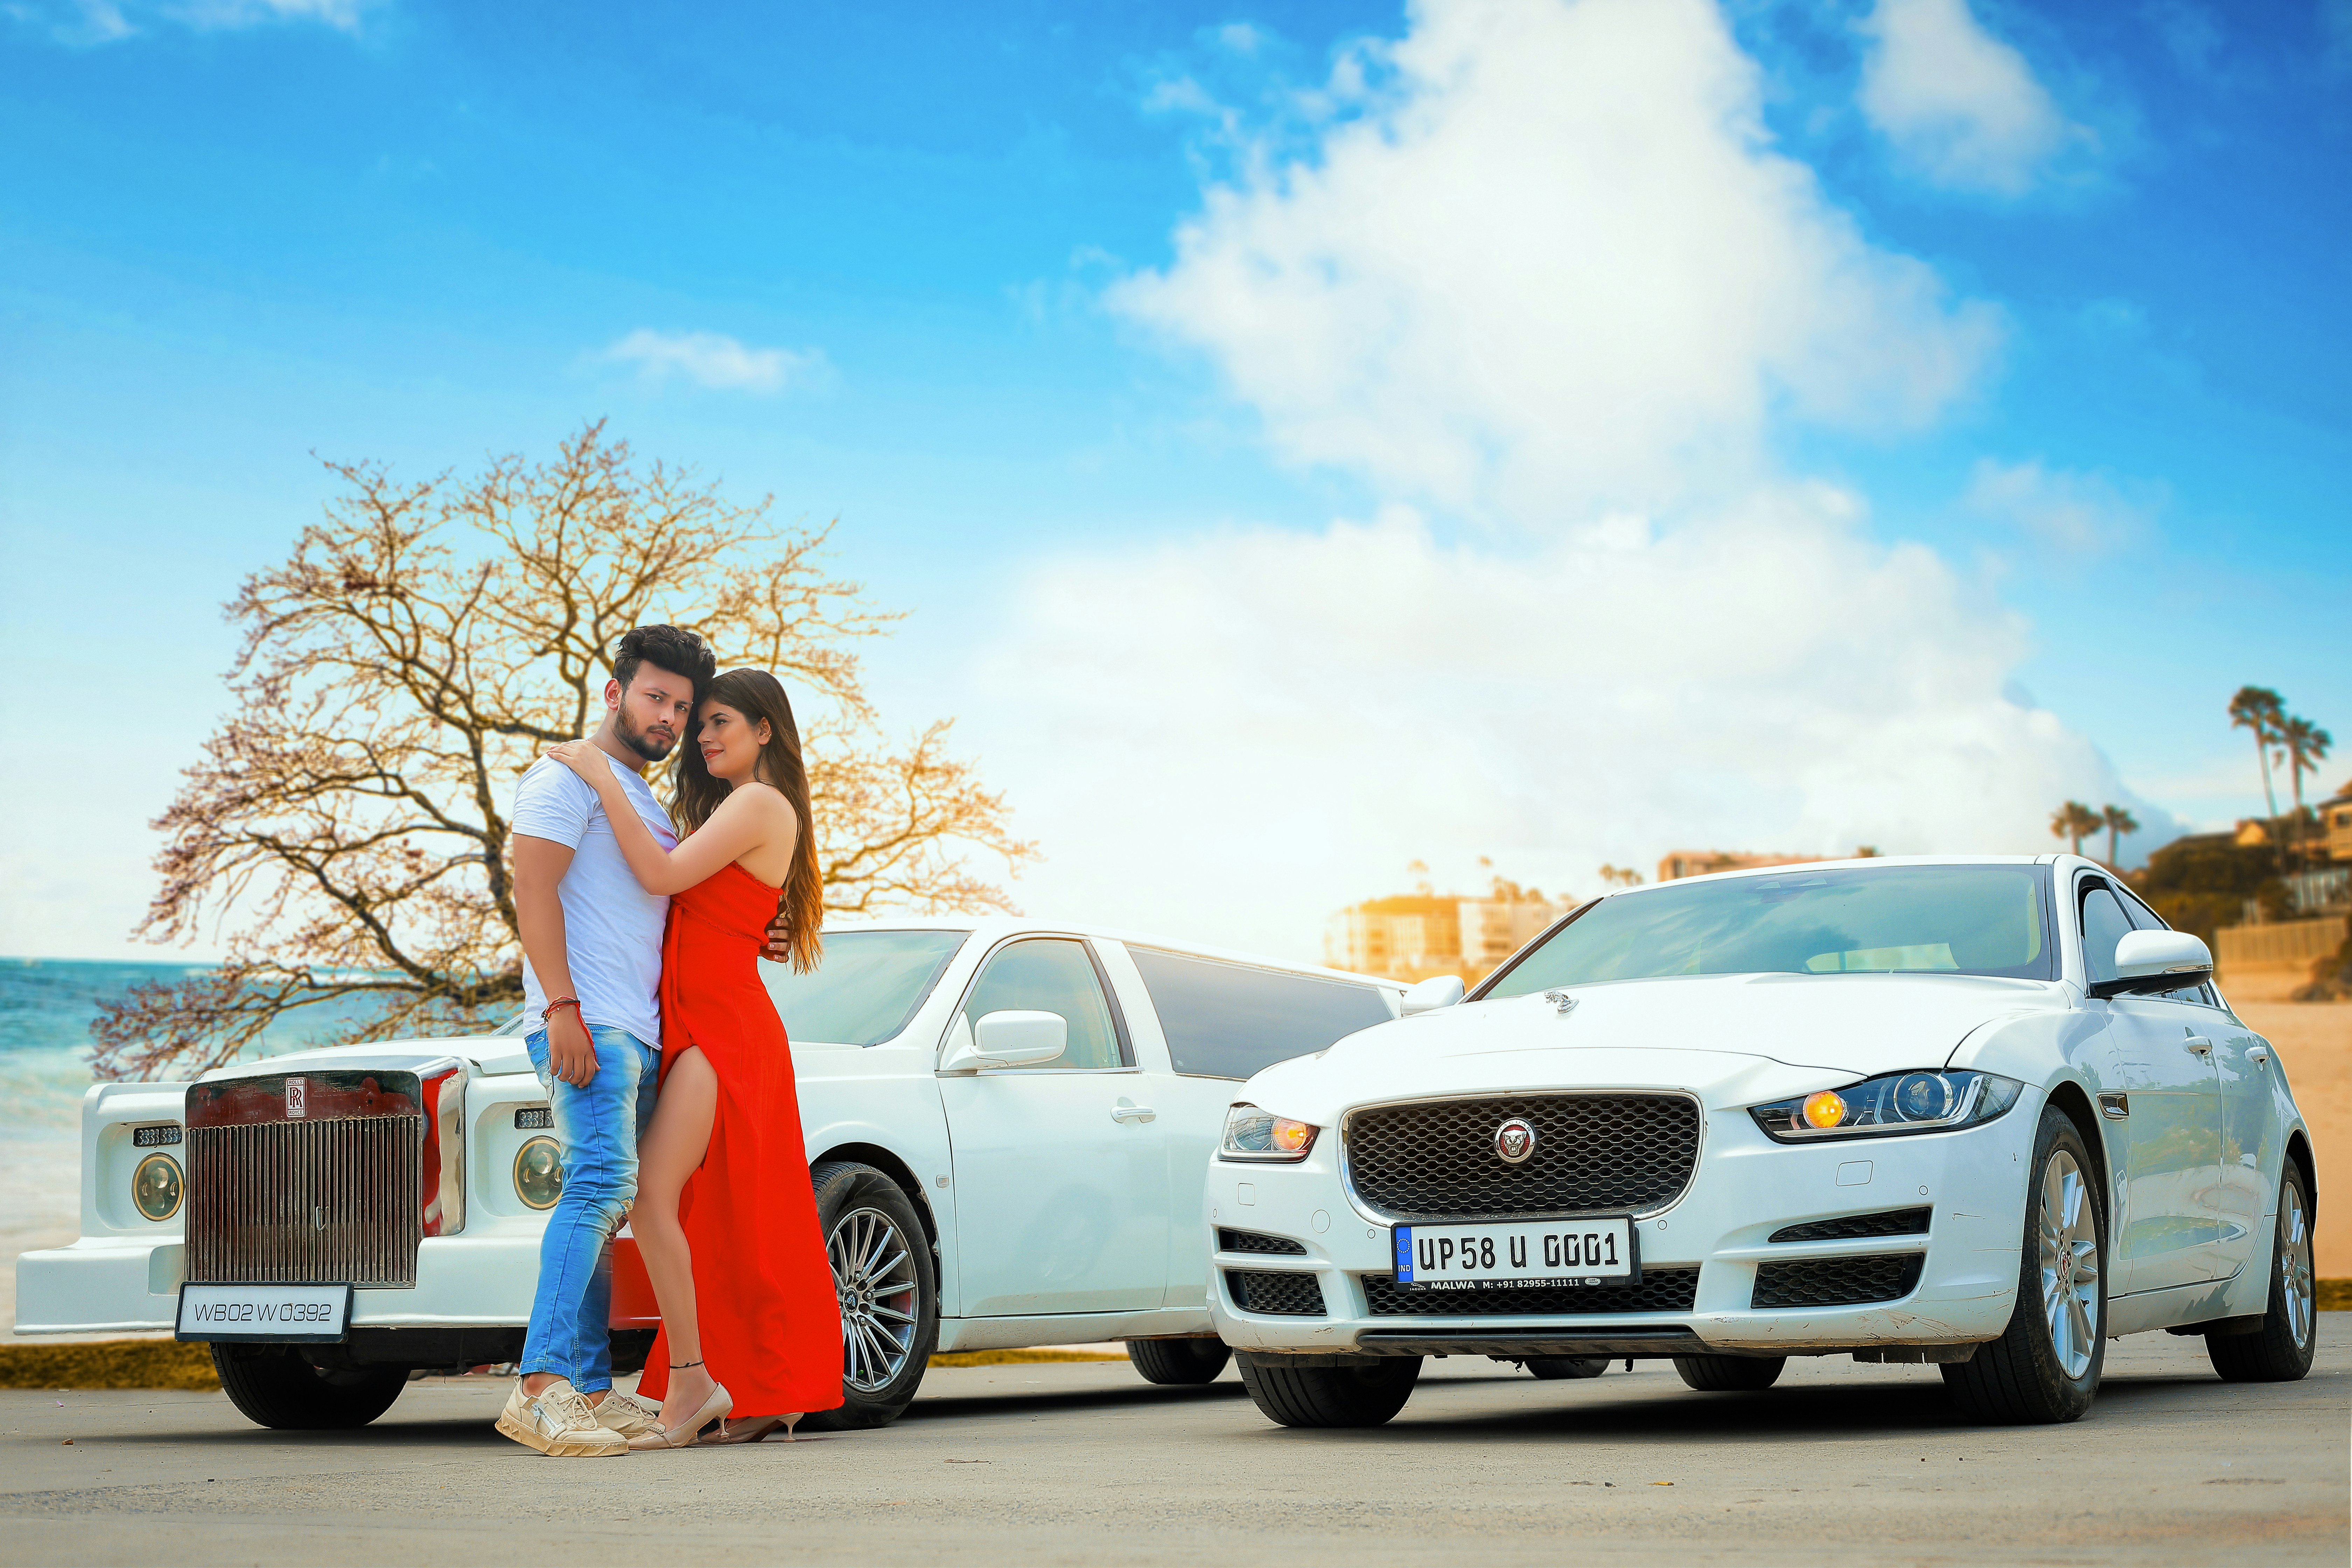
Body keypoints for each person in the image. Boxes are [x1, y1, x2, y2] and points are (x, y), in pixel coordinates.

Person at [543, 666, 844, 1448]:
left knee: (652, 1195)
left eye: (720, 723)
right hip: (705, 1020)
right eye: (698, 722)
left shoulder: (759, 801)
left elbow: (661, 873)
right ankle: (756, 1391)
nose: (702, 736)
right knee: (722, 1212)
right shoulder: (744, 807)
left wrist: (601, 775)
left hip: (723, 1029)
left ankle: (692, 1383)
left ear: (765, 729)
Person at [496, 624, 718, 1458]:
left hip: (638, 1027)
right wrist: (560, 1005)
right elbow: (533, 888)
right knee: (598, 1185)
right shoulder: (562, 779)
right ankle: (541, 1385)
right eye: (656, 696)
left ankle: (589, 1386)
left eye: (683, 706)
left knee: (606, 1198)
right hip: (588, 1022)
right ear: (615, 692)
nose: (668, 716)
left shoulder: (641, 799)